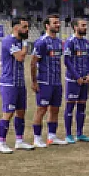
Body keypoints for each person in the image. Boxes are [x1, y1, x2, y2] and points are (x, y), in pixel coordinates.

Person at [0, 17, 33, 153]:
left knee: (21, 112)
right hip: (9, 83)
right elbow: (20, 57)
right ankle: (1, 143)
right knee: (8, 113)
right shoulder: (8, 41)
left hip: (20, 82)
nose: (27, 29)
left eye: (28, 27)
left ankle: (19, 140)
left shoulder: (19, 42)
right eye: (24, 27)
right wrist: (25, 43)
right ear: (16, 27)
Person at [31, 14, 66, 147]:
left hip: (57, 83)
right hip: (44, 82)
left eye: (58, 22)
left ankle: (52, 137)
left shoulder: (58, 42)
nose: (58, 25)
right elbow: (33, 63)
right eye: (55, 23)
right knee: (41, 110)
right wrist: (34, 82)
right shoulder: (41, 42)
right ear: (47, 25)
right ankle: (37, 138)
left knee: (55, 110)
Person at [63, 18, 89, 143]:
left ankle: (80, 133)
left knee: (82, 106)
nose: (85, 27)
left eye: (86, 25)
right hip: (73, 80)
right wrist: (77, 77)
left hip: (85, 80)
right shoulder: (70, 42)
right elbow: (67, 61)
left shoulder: (86, 42)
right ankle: (68, 134)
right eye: (83, 25)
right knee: (70, 106)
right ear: (75, 27)